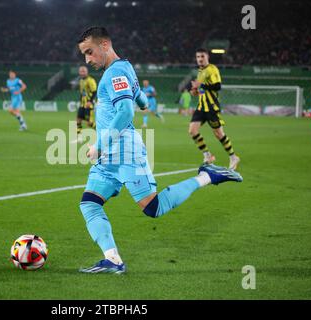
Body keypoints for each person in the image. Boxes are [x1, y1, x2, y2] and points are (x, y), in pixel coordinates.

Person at [77, 27, 243, 274]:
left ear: (105, 44)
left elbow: (124, 112)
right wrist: (144, 103)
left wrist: (98, 145)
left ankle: (207, 175)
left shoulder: (114, 73)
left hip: (124, 151)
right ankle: (112, 260)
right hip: (108, 156)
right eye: (84, 55)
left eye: (89, 52)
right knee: (89, 203)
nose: (87, 60)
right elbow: (138, 97)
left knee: (153, 208)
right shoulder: (125, 67)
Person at [189, 48, 240, 170]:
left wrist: (201, 85)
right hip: (201, 107)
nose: (200, 59)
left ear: (207, 57)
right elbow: (203, 90)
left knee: (219, 134)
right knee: (192, 130)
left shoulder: (212, 69)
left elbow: (217, 86)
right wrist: (196, 92)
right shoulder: (200, 72)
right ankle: (208, 156)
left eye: (202, 56)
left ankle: (233, 157)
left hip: (212, 108)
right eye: (198, 57)